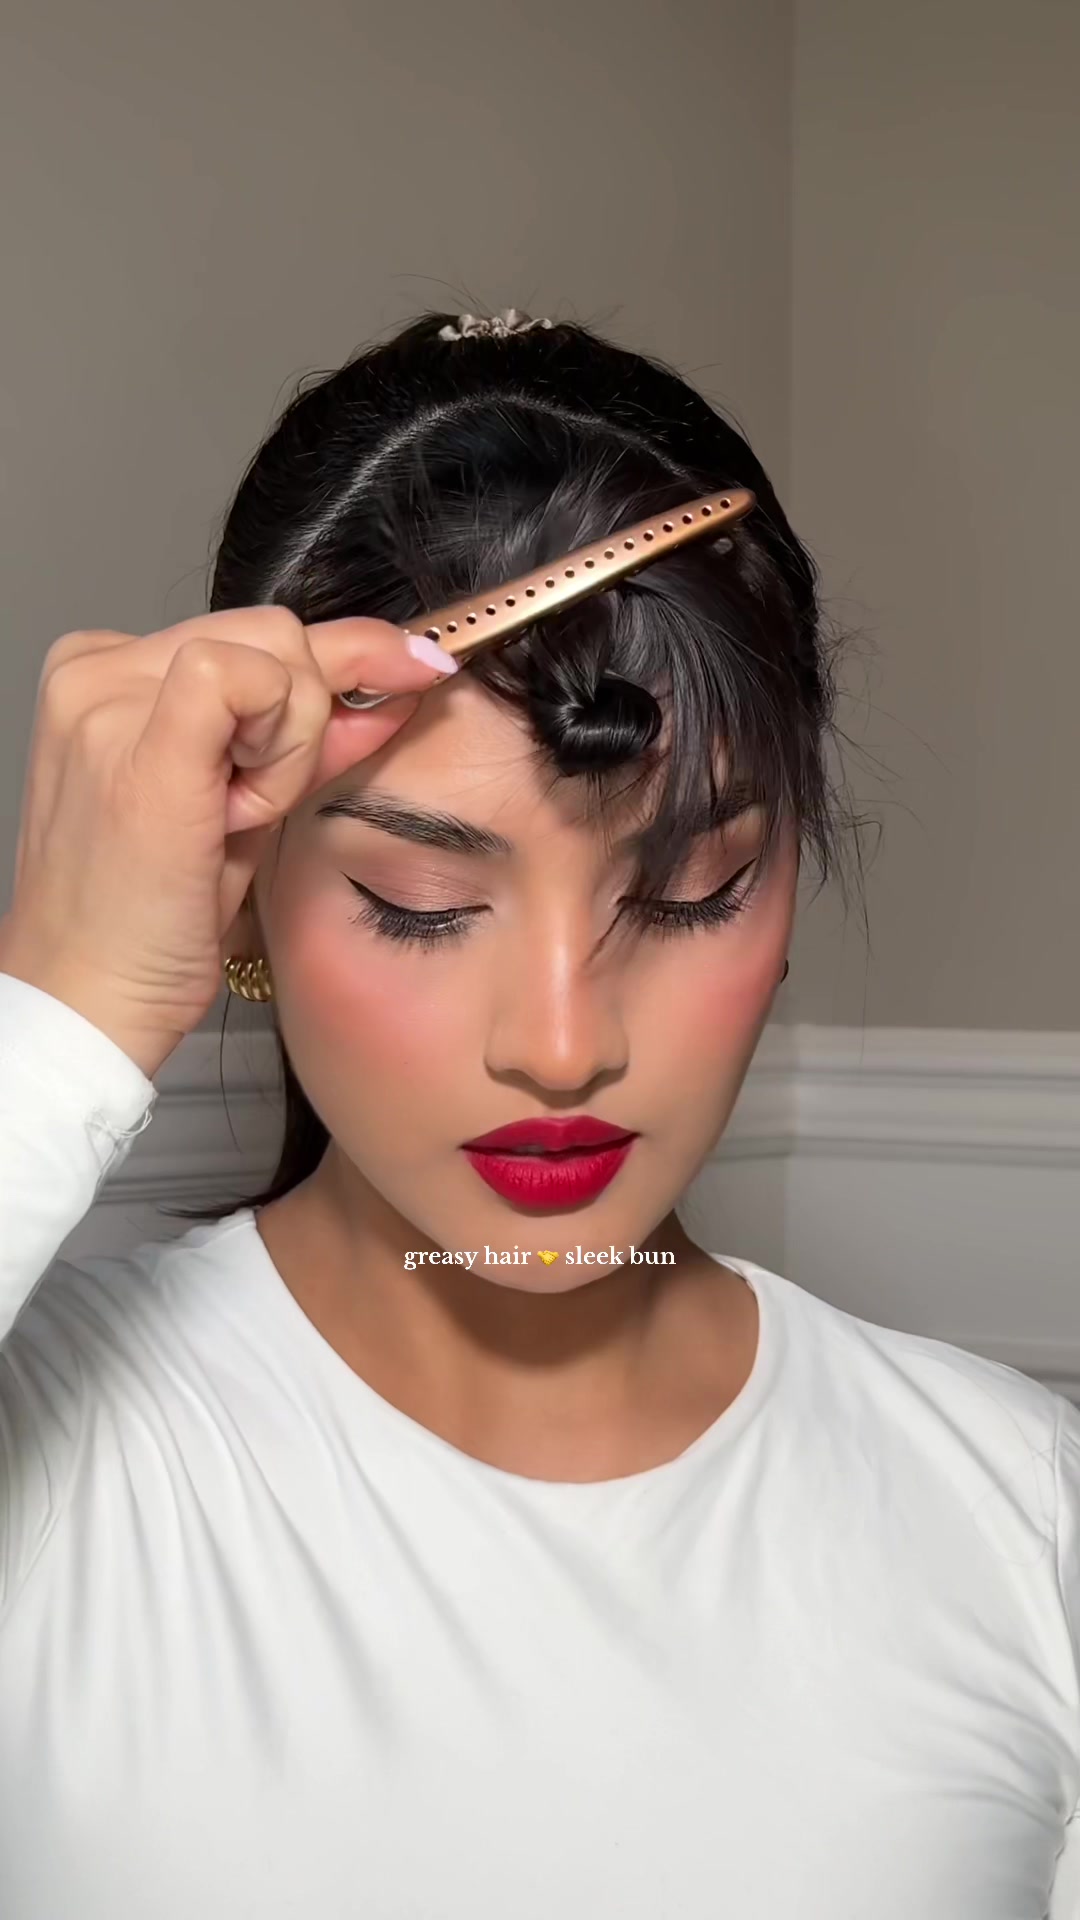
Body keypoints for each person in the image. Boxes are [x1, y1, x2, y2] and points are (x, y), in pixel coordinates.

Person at [0, 307, 1077, 1920]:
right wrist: (66, 1000)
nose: (564, 1048)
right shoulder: (47, 1451)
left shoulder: (1023, 1517)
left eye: (694, 890)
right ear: (242, 893)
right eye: (421, 901)